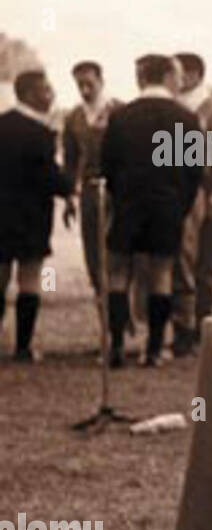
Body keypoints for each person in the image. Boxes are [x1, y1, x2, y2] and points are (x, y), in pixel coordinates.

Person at [100, 55, 203, 367]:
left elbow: (108, 167)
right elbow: (193, 171)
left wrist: (120, 197)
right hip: (168, 204)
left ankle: (116, 345)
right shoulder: (186, 119)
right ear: (169, 76)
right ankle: (155, 350)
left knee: (118, 274)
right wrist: (181, 205)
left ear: (142, 77)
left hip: (128, 203)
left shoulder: (121, 118)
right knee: (161, 275)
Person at [0, 69, 73, 361]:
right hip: (31, 218)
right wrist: (70, 188)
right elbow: (50, 178)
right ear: (30, 94)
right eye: (46, 90)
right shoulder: (41, 134)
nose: (52, 95)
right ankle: (22, 347)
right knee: (29, 281)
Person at [171, 52, 212, 352]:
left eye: (178, 72)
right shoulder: (172, 108)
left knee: (205, 264)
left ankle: (202, 327)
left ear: (194, 75)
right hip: (175, 197)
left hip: (206, 195)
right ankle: (181, 327)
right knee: (177, 262)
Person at [62, 61, 123, 302]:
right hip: (89, 191)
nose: (85, 90)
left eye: (90, 84)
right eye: (80, 85)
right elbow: (70, 161)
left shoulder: (119, 110)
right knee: (93, 253)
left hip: (118, 191)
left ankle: (120, 309)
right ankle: (102, 304)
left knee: (117, 252)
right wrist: (69, 197)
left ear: (101, 80)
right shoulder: (74, 117)